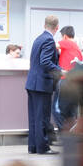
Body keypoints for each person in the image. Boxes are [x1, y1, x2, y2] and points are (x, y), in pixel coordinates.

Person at [25, 14, 63, 154]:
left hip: (32, 83)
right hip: (42, 84)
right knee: (43, 117)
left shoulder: (38, 39)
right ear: (57, 27)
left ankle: (33, 146)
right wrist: (61, 71)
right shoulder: (49, 40)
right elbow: (45, 61)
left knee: (34, 117)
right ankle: (43, 147)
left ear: (44, 25)